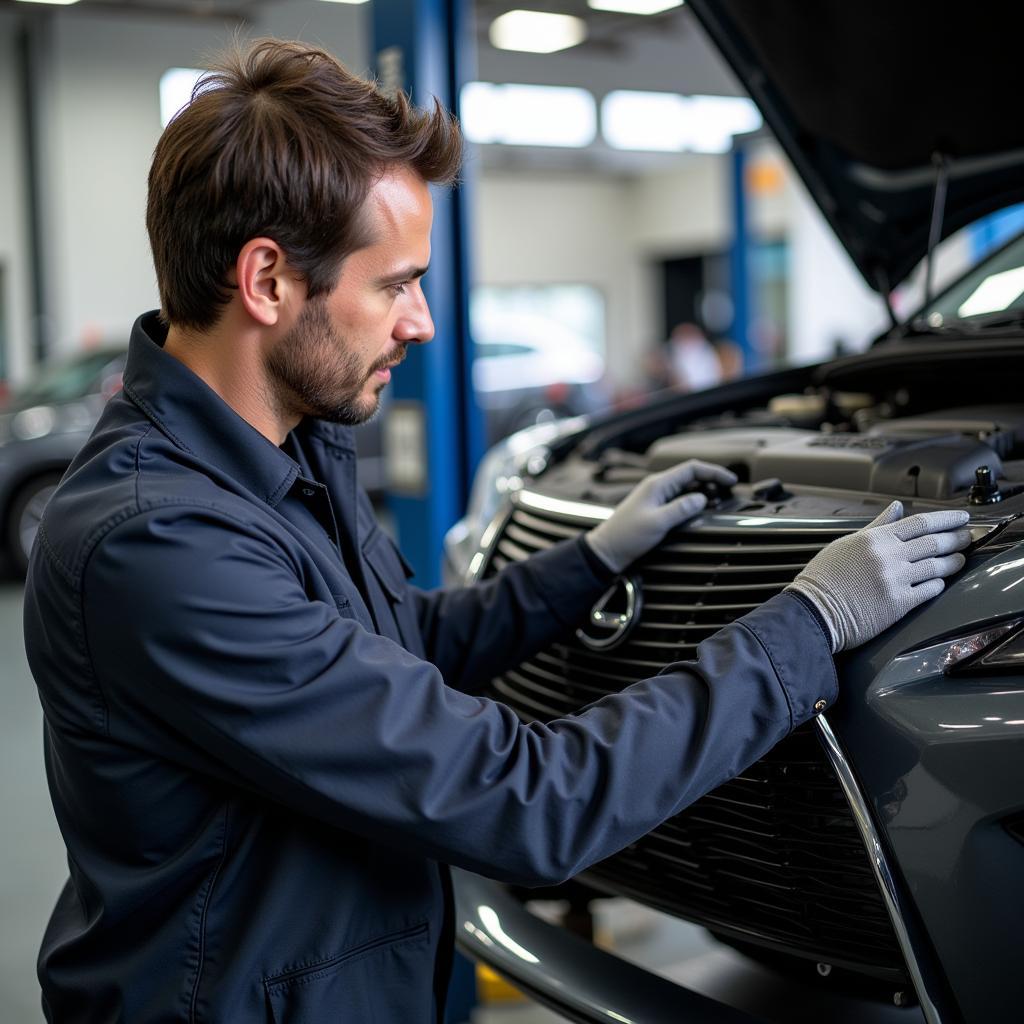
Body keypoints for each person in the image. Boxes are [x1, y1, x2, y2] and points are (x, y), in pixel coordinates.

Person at [23, 40, 971, 1023]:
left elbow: (401, 649)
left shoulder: (291, 451)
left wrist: (591, 561)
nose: (422, 322)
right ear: (266, 281)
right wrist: (805, 627)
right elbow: (526, 801)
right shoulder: (159, 544)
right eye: (394, 284)